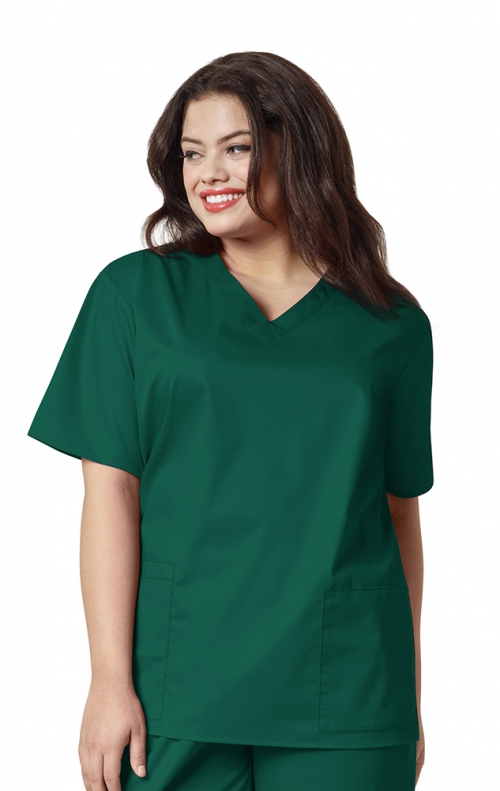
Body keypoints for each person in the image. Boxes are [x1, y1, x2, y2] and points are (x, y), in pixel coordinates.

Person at [27, 51, 434, 791]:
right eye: (192, 153)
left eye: (236, 148)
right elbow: (111, 493)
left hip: (346, 690)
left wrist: (405, 690)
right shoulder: (135, 296)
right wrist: (107, 681)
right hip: (176, 688)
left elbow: (397, 511)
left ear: (299, 150)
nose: (208, 173)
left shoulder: (391, 323)